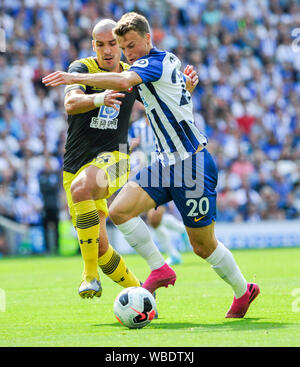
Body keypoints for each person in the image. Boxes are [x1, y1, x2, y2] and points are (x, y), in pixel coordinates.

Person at [42, 12, 260, 318]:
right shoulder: (149, 66)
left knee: (202, 245)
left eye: (130, 46)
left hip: (192, 165)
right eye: (124, 48)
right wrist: (185, 87)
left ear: (148, 39)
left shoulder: (151, 62)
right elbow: (168, 94)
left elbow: (124, 79)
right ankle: (160, 269)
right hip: (165, 163)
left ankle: (243, 290)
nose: (128, 54)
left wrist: (74, 78)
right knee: (119, 211)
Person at [45, 18, 198, 300]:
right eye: (100, 44)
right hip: (75, 165)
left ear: (120, 44)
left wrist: (186, 88)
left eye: (112, 44)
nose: (107, 50)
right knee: (101, 249)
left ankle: (89, 277)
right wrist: (99, 99)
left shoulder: (131, 74)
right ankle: (140, 295)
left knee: (82, 187)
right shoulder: (82, 69)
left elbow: (166, 100)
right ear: (93, 46)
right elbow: (70, 103)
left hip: (117, 160)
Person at [129, 113, 189, 265]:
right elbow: (125, 149)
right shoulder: (136, 128)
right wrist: (132, 146)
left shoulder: (164, 125)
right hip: (144, 177)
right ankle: (181, 231)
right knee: (154, 220)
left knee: (154, 219)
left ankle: (174, 254)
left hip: (163, 175)